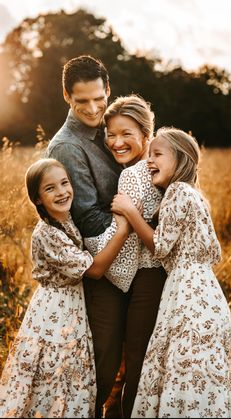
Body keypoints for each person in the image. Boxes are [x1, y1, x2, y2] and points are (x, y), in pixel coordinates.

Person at [111, 127, 231, 418]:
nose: (149, 161)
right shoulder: (194, 195)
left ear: (180, 159)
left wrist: (130, 212)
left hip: (189, 296)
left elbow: (159, 246)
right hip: (205, 292)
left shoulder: (178, 192)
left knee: (184, 367)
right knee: (195, 373)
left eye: (157, 154)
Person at [0, 158, 130, 418]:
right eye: (50, 188)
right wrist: (124, 229)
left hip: (72, 310)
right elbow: (94, 270)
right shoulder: (47, 233)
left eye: (64, 183)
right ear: (37, 199)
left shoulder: (68, 220)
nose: (61, 192)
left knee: (70, 375)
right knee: (53, 373)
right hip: (54, 314)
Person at [45, 55, 125, 417]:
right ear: (66, 97)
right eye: (82, 102)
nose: (93, 108)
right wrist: (138, 219)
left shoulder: (110, 128)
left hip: (124, 259)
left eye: (99, 98)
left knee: (127, 365)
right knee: (99, 370)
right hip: (98, 271)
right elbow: (90, 220)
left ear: (108, 89)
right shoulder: (67, 146)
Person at [84, 95, 167, 418]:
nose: (116, 142)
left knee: (136, 362)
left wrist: (107, 275)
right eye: (111, 134)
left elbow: (129, 250)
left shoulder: (132, 175)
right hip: (163, 277)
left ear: (147, 133)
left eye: (126, 134)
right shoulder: (161, 166)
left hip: (148, 276)